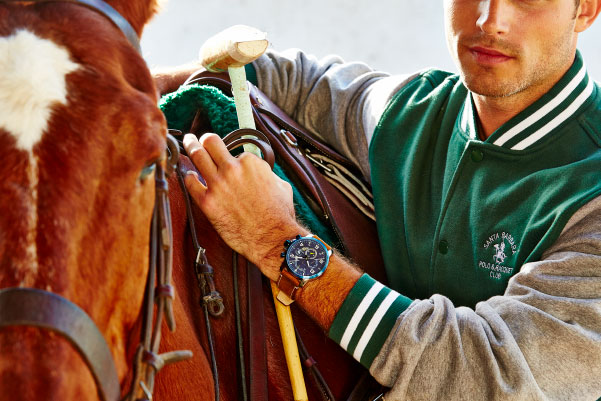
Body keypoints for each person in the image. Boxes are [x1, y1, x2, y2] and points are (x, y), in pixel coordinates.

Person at [159, 0, 601, 399]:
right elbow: (294, 79)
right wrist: (140, 87)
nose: (490, 20)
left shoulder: (592, 194)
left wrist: (277, 241)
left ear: (585, 10)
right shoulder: (410, 112)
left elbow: (487, 374)